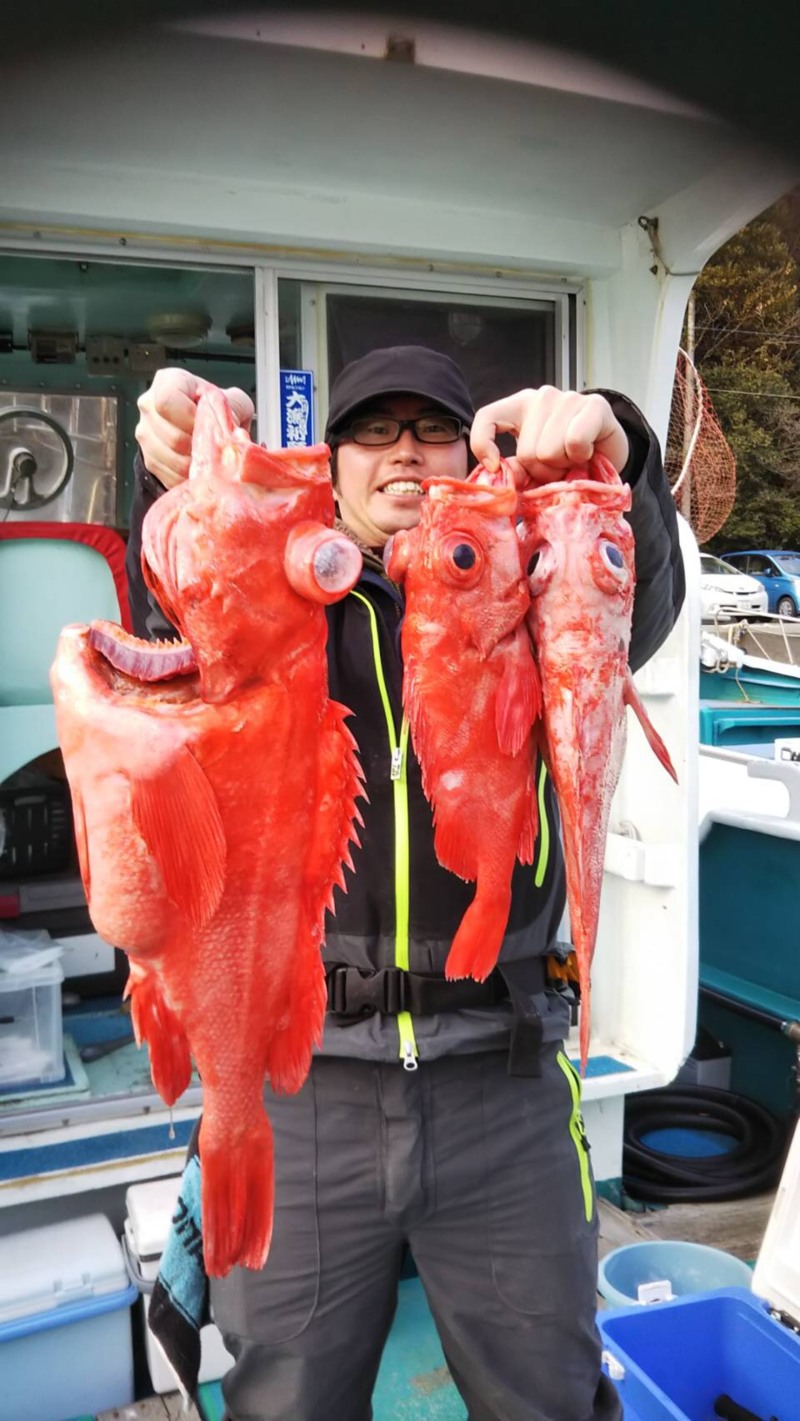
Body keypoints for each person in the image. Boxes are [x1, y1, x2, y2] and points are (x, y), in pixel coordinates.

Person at [129, 345, 684, 1421]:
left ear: (468, 449)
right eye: (371, 430)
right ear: (330, 466)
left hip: (506, 1074)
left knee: (549, 1398)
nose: (402, 452)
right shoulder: (278, 605)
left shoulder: (521, 584)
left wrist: (622, 450)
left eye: (429, 427)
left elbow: (631, 592)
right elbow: (182, 610)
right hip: (305, 1085)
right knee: (283, 1399)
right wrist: (173, 476)